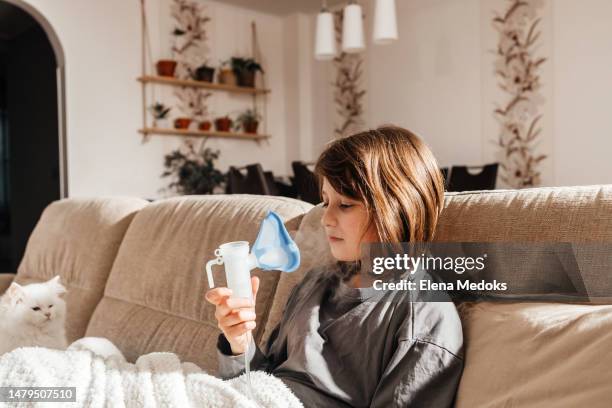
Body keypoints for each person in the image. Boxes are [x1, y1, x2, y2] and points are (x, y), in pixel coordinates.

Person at [205, 126, 464, 407]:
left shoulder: (424, 316)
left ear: (397, 209)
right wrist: (240, 341)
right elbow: (260, 381)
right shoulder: (317, 282)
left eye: (345, 204)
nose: (325, 219)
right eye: (326, 201)